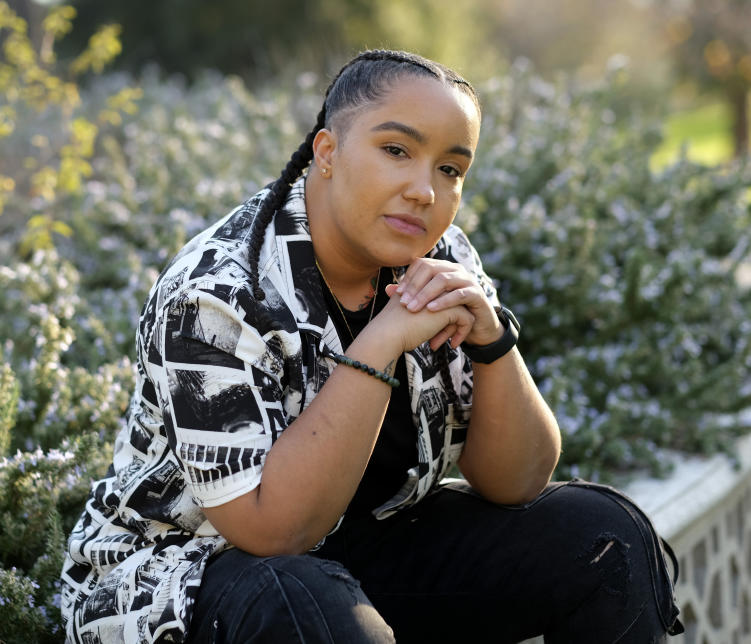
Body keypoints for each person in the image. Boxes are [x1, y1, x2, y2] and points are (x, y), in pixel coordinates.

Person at [61, 49, 683, 643]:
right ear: (326, 152)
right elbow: (271, 531)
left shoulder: (441, 258)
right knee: (309, 609)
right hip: (187, 581)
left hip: (360, 555)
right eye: (396, 150)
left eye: (450, 169)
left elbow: (516, 480)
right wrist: (379, 344)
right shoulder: (216, 296)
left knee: (608, 539)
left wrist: (493, 340)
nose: (424, 189)